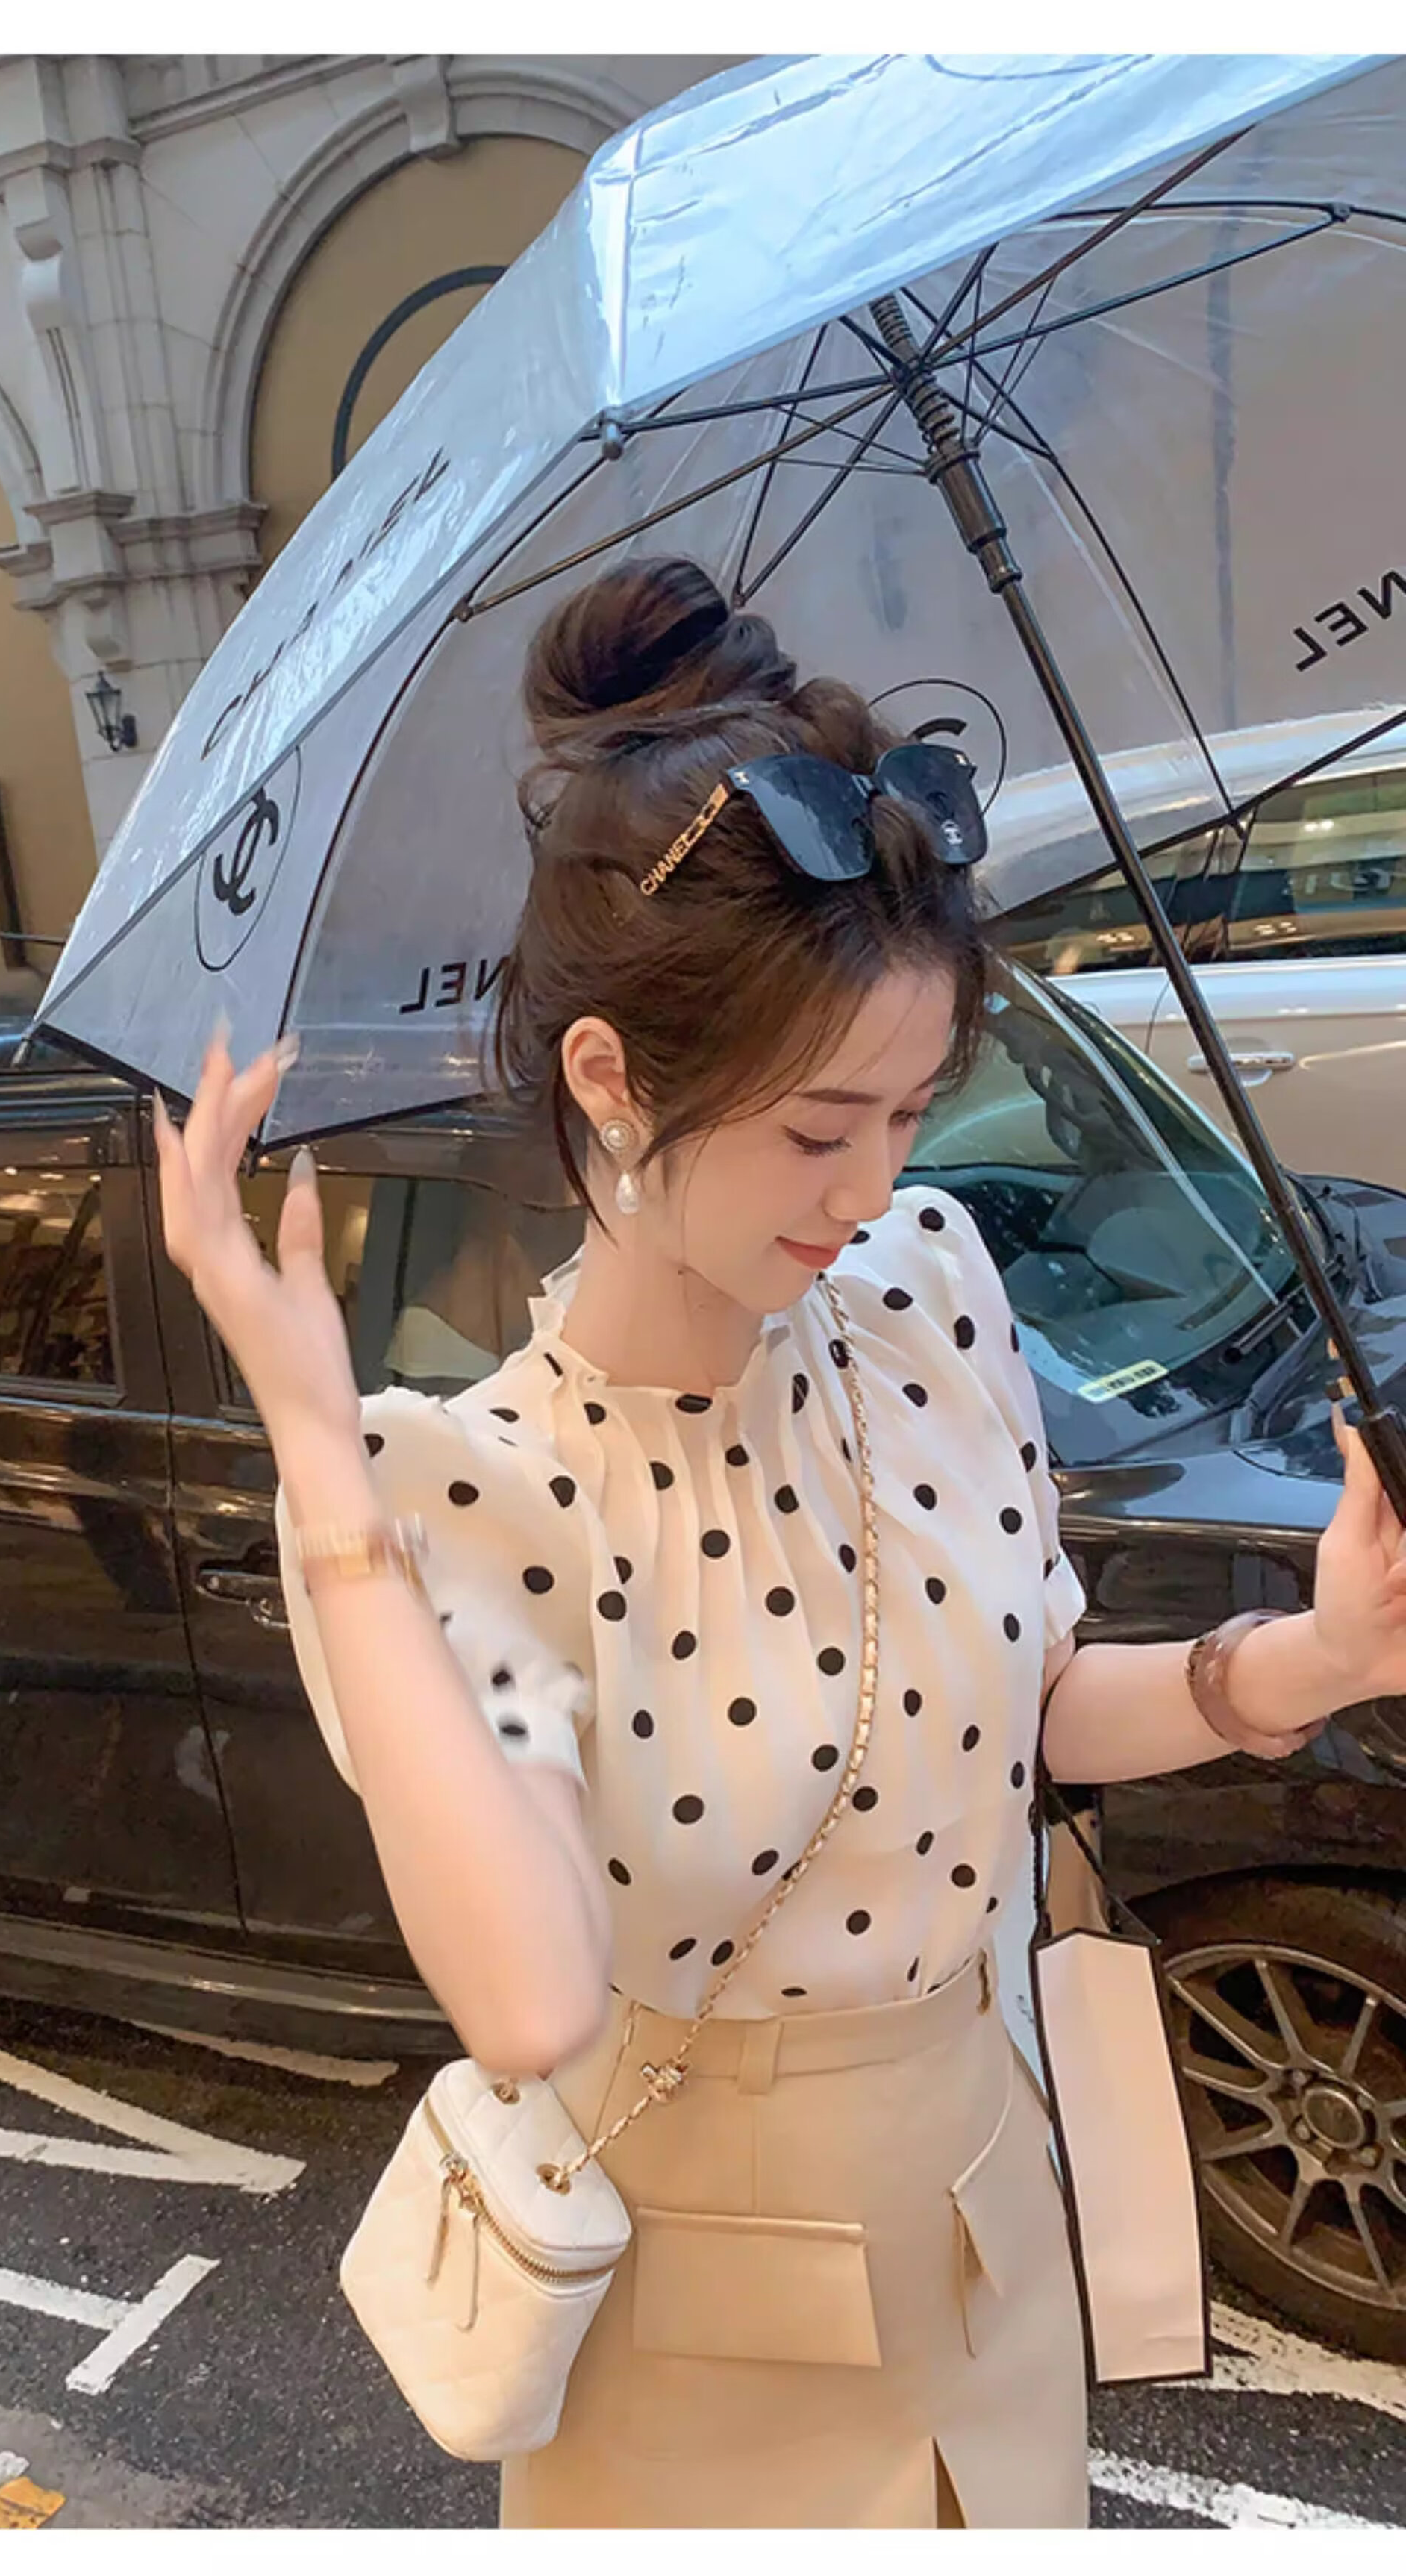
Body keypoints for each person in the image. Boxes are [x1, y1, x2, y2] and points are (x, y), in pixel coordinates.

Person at [150, 557, 1406, 2530]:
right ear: (610, 1081)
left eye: (911, 1110)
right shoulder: (475, 1492)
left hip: (989, 2242)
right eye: (820, 1131)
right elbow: (531, 2002)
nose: (871, 1181)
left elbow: (1035, 1708)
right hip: (698, 2352)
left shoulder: (926, 1291)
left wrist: (1309, 1661)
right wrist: (318, 1458)